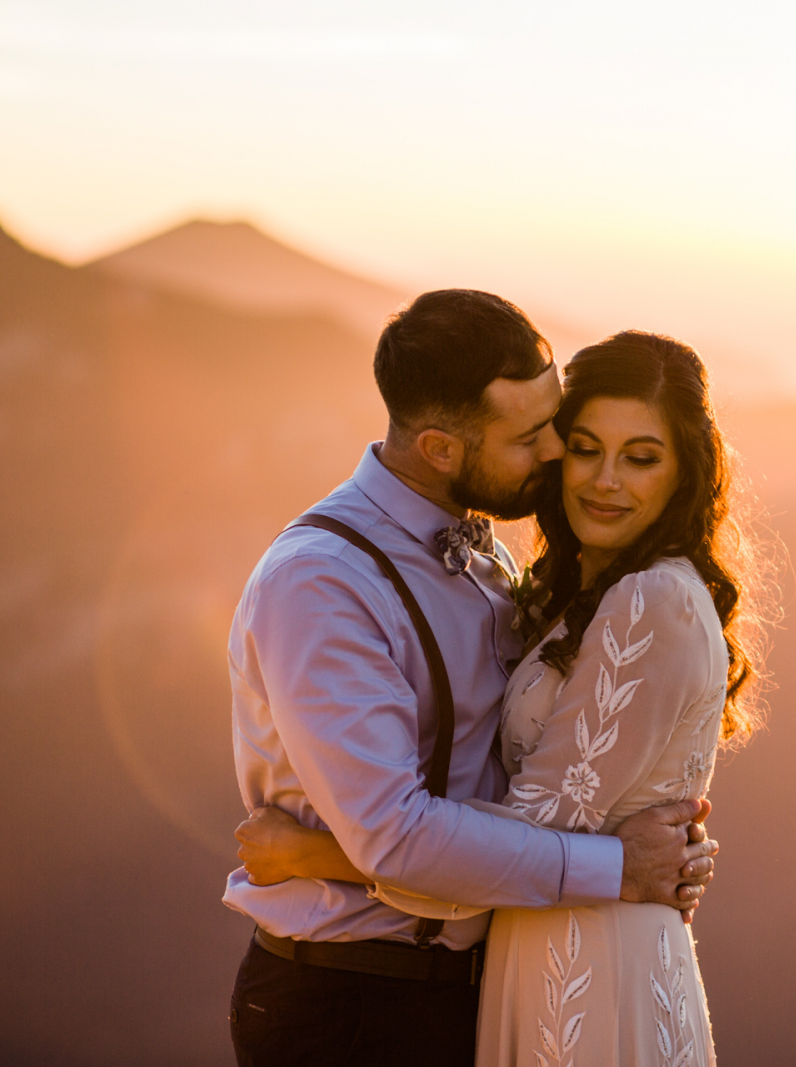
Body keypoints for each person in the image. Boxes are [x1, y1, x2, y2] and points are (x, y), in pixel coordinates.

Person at [237, 329, 765, 1066]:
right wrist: (625, 858)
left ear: (686, 471)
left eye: (641, 458)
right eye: (580, 446)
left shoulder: (648, 600)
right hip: (416, 984)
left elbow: (530, 827)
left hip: (584, 975)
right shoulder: (548, 585)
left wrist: (317, 852)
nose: (601, 477)